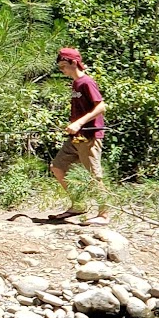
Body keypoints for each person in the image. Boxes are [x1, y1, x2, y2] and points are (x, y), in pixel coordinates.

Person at [50, 47, 111, 226]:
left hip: (90, 136)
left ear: (73, 62)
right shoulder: (76, 83)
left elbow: (101, 107)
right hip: (77, 137)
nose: (62, 71)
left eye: (63, 66)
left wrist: (79, 123)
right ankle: (78, 205)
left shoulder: (86, 82)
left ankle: (104, 214)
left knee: (94, 176)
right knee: (57, 167)